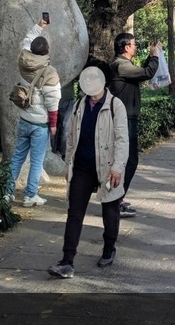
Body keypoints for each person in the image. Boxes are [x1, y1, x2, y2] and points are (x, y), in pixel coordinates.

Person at [48, 66, 128, 279]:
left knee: (110, 210)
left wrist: (117, 167)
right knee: (74, 213)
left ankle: (109, 248)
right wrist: (69, 165)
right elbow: (71, 136)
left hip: (107, 167)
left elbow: (122, 140)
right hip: (82, 167)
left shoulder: (115, 105)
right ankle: (67, 261)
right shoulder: (79, 105)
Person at [8, 21, 61, 207]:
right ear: (47, 51)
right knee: (37, 161)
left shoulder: (23, 59)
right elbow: (53, 103)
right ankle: (30, 195)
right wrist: (53, 125)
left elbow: (27, 39)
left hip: (24, 118)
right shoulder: (49, 73)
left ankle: (6, 192)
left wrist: (39, 25)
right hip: (40, 124)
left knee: (17, 157)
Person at [106, 32, 159, 218]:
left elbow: (139, 72)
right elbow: (147, 73)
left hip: (127, 118)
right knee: (127, 161)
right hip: (124, 120)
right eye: (134, 44)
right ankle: (115, 201)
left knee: (125, 161)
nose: (136, 47)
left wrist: (150, 58)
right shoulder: (121, 65)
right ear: (126, 47)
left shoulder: (123, 65)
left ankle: (116, 198)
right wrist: (154, 57)